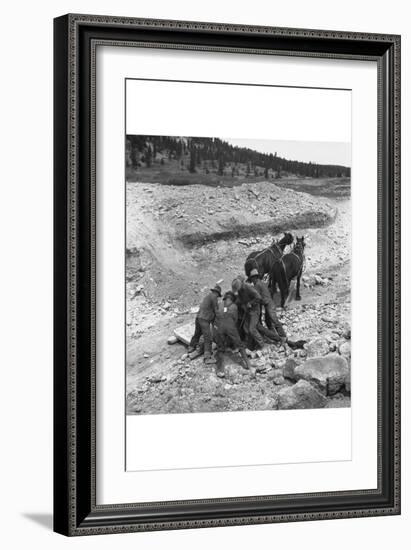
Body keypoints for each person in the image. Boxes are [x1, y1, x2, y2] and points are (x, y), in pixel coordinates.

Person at [213, 291, 251, 377]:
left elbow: (216, 316)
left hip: (220, 327)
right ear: (232, 299)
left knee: (221, 348)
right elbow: (235, 319)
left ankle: (220, 369)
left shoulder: (220, 304)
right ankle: (248, 364)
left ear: (225, 298)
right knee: (240, 345)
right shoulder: (234, 306)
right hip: (230, 326)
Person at [249, 268, 287, 343]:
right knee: (268, 321)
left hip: (269, 304)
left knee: (274, 320)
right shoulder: (261, 283)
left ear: (254, 278)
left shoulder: (257, 285)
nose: (252, 281)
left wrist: (250, 303)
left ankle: (282, 337)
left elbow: (257, 297)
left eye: (252, 279)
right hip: (268, 304)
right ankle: (276, 337)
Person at [188, 284, 222, 364]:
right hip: (204, 319)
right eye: (218, 296)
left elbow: (210, 311)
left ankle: (191, 347)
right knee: (208, 338)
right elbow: (216, 311)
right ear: (217, 293)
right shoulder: (214, 297)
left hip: (198, 317)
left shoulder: (208, 296)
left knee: (197, 333)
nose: (217, 297)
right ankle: (207, 357)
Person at [231, 275, 265, 349]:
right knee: (245, 328)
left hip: (255, 310)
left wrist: (250, 303)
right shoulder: (240, 290)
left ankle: (262, 344)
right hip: (248, 310)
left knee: (252, 329)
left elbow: (258, 297)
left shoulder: (248, 287)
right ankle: (249, 345)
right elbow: (240, 299)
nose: (237, 291)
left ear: (239, 285)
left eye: (237, 289)